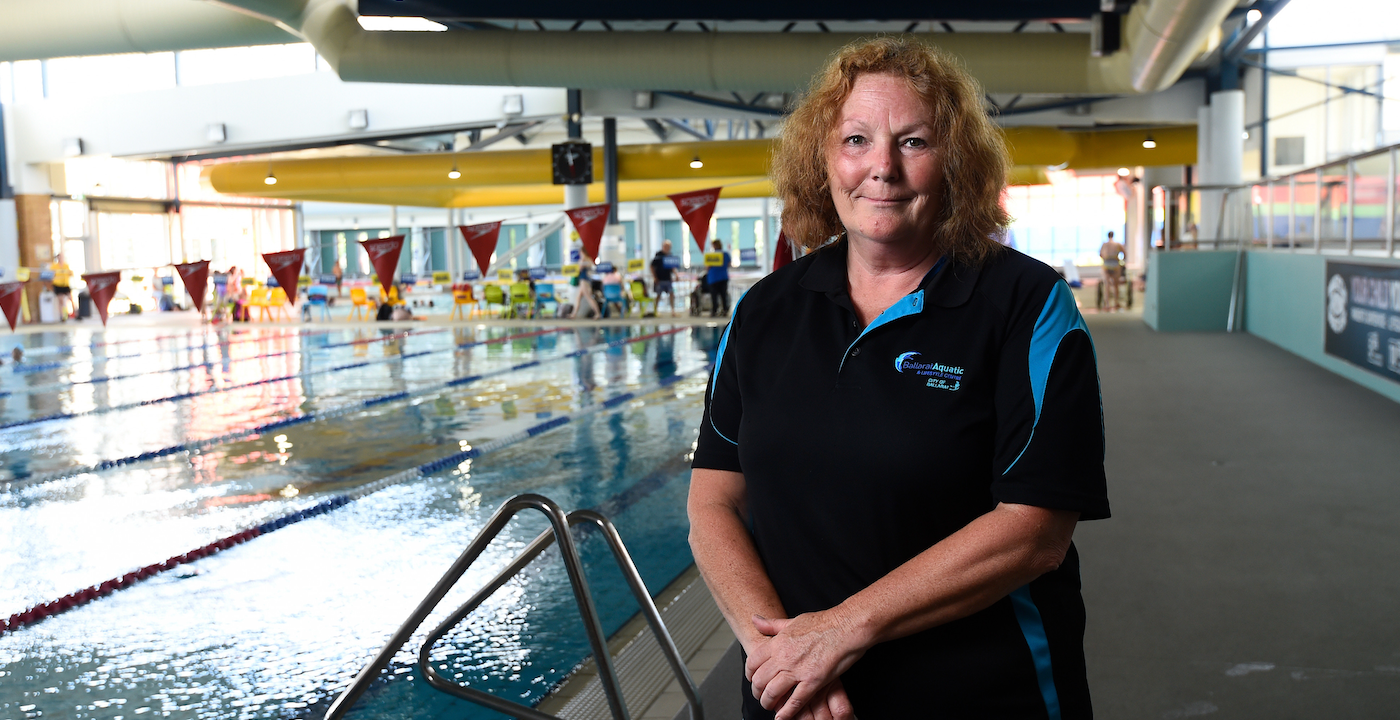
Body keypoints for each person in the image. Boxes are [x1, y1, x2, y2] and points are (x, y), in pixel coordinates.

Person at [688, 37, 1109, 720]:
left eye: (913, 141)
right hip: (799, 699)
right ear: (822, 161)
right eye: (856, 139)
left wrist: (838, 632)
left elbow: (1036, 529)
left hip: (979, 694)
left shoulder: (1026, 306)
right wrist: (778, 652)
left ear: (956, 164)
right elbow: (712, 502)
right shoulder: (766, 310)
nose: (881, 168)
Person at [651, 239, 679, 317]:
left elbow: (672, 267)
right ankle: (655, 310)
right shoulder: (658, 255)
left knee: (671, 293)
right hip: (660, 279)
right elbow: (652, 266)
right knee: (658, 295)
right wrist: (655, 277)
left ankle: (673, 310)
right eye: (666, 246)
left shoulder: (669, 255)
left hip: (668, 278)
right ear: (663, 246)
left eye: (669, 247)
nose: (668, 248)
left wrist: (676, 274)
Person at [1099, 231, 1126, 310]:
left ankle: (1107, 304)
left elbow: (1100, 254)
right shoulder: (1117, 244)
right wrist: (1122, 261)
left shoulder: (1104, 244)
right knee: (1116, 285)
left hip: (1107, 264)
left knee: (1107, 285)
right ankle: (1116, 302)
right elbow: (1124, 253)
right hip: (1115, 264)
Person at [706, 239, 731, 317]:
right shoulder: (726, 254)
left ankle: (714, 311)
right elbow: (729, 264)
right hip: (723, 277)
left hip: (714, 277)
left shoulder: (711, 255)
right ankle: (725, 310)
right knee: (723, 295)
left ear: (714, 246)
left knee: (714, 295)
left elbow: (708, 267)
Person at [49, 254, 73, 320]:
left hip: (65, 284)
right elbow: (51, 274)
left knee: (70, 298)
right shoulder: (54, 266)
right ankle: (62, 316)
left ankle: (76, 314)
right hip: (58, 285)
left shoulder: (66, 265)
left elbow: (70, 273)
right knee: (61, 300)